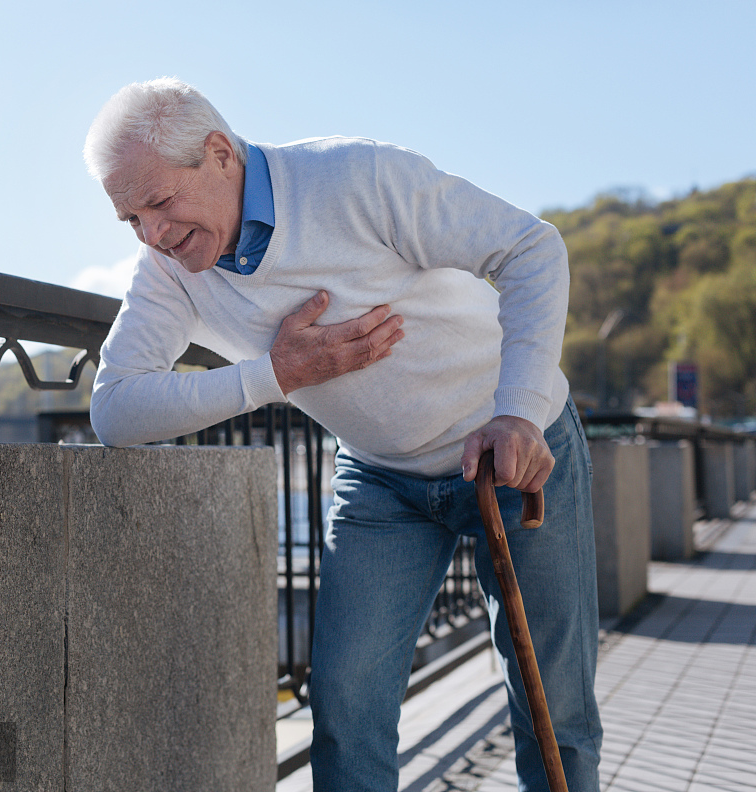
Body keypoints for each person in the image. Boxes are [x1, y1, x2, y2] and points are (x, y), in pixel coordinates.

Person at [83, 77, 601, 791]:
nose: (153, 236)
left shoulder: (355, 177)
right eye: (130, 220)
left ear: (219, 153)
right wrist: (277, 373)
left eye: (161, 203)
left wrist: (516, 409)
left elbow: (531, 250)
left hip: (515, 453)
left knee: (552, 701)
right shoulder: (170, 272)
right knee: (345, 705)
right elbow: (115, 410)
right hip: (380, 481)